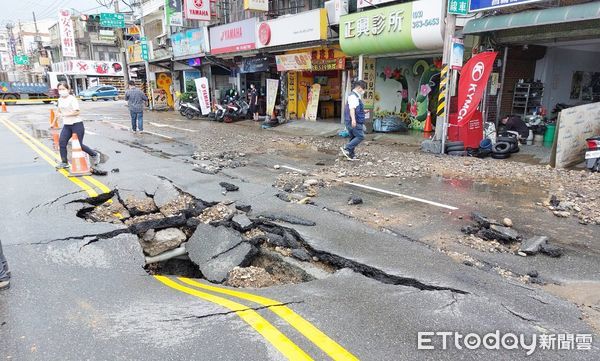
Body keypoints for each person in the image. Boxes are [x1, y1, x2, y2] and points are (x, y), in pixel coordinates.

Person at [55, 83, 99, 169]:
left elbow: (77, 112)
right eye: (59, 89)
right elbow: (59, 110)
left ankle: (94, 154)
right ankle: (64, 162)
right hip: (67, 125)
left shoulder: (72, 99)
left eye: (63, 89)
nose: (61, 91)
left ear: (68, 89)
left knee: (78, 145)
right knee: (62, 143)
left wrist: (64, 115)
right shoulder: (59, 99)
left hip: (77, 124)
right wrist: (56, 117)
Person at [341, 80, 367, 161]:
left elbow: (355, 108)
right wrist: (353, 120)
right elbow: (352, 109)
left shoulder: (355, 96)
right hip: (353, 120)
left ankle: (351, 155)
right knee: (360, 136)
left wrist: (363, 111)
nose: (364, 91)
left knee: (353, 137)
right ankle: (347, 148)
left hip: (351, 120)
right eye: (363, 89)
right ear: (359, 88)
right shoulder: (353, 96)